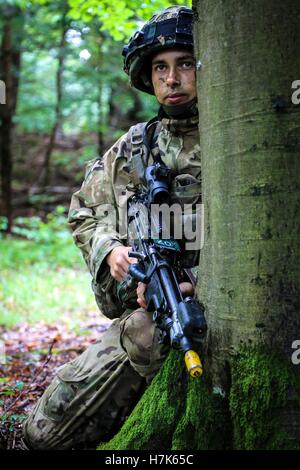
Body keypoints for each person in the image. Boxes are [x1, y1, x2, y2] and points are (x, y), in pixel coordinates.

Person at [22, 5, 201, 450]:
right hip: (140, 311)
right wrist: (110, 251)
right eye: (161, 67)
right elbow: (85, 210)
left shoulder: (238, 144)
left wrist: (197, 283)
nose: (172, 79)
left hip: (198, 314)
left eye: (185, 64)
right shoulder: (133, 147)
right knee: (41, 434)